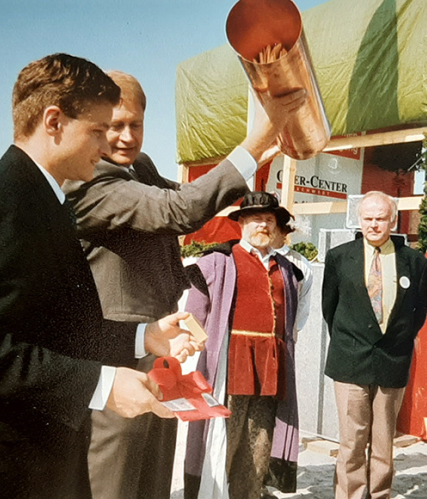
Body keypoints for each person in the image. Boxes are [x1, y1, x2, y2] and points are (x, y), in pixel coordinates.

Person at [0, 54, 198, 498]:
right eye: (97, 130)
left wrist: (142, 337)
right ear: (53, 121)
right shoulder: (0, 196)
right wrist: (102, 382)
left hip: (44, 460)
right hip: (5, 471)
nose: (106, 145)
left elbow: (55, 329)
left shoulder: (46, 201)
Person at [63, 72, 304, 499]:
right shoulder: (92, 178)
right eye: (112, 126)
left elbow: (197, 202)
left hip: (160, 347)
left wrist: (269, 147)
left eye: (134, 124)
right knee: (113, 477)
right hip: (115, 350)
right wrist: (258, 138)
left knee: (153, 477)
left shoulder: (141, 167)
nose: (125, 137)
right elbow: (179, 209)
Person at [184, 192, 301, 499]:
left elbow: (292, 323)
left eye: (268, 220)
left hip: (270, 366)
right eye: (254, 219)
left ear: (276, 226)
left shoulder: (287, 270)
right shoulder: (216, 261)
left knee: (260, 440)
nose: (262, 225)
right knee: (225, 437)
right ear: (241, 224)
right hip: (230, 363)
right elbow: (192, 317)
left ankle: (248, 494)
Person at [322, 190, 427, 499]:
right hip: (350, 360)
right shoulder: (340, 257)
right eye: (368, 218)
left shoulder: (415, 262)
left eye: (381, 218)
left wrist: (393, 343)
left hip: (391, 361)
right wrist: (353, 340)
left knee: (383, 442)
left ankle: (380, 494)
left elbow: (417, 314)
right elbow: (329, 309)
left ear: (393, 221)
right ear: (359, 219)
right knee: (352, 441)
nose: (374, 225)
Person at [270, 208, 313, 341]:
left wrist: (288, 329)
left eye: (272, 225)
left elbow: (302, 305)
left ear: (284, 231)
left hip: (283, 337)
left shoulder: (300, 264)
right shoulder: (247, 257)